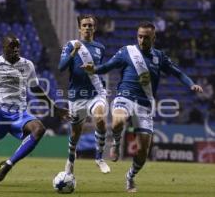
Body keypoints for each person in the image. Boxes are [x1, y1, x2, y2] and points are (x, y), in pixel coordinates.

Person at [81, 21, 203, 192]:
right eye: (139, 36)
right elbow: (108, 67)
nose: (142, 40)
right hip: (125, 96)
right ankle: (116, 142)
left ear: (154, 38)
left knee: (143, 150)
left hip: (145, 105)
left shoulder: (159, 57)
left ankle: (130, 176)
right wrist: (93, 69)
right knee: (117, 122)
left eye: (146, 37)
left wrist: (191, 84)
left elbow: (178, 72)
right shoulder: (126, 51)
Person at [0, 35, 69, 192]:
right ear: (4, 48)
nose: (15, 49)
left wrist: (54, 107)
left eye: (17, 46)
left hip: (19, 113)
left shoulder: (27, 65)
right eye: (12, 46)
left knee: (39, 129)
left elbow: (35, 88)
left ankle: (9, 164)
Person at [59, 15, 110, 174]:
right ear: (79, 28)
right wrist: (74, 53)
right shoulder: (70, 45)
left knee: (100, 119)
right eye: (84, 25)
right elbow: (61, 67)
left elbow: (101, 69)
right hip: (77, 96)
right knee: (75, 133)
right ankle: (70, 160)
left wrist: (94, 70)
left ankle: (99, 158)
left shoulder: (100, 48)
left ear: (94, 28)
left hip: (96, 92)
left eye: (90, 25)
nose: (87, 28)